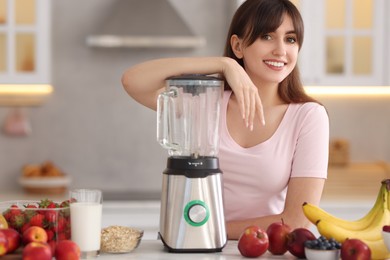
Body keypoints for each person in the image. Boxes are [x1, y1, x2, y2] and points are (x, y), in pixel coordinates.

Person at [121, 0, 329, 240]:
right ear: (238, 46)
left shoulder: (308, 116)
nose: (281, 50)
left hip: (262, 250)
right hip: (196, 249)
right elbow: (133, 81)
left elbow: (296, 221)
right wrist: (223, 64)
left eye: (290, 39)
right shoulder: (206, 103)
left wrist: (204, 229)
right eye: (267, 36)